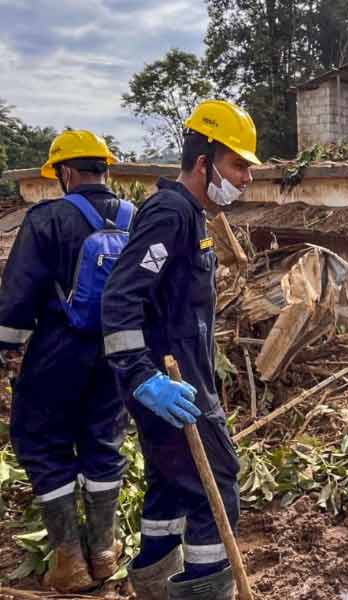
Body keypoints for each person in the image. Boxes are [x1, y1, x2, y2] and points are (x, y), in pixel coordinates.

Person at [102, 100, 260, 600]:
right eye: (238, 165)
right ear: (203, 163)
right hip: (168, 387)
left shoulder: (191, 216)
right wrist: (142, 378)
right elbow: (120, 297)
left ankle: (153, 586)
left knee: (170, 486)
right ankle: (203, 592)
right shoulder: (170, 213)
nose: (247, 178)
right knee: (217, 485)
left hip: (178, 384)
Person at [0, 131, 131, 591]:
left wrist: (7, 347)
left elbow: (19, 294)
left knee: (40, 440)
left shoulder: (48, 219)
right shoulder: (135, 220)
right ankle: (104, 549)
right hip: (119, 353)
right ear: (106, 170)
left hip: (58, 351)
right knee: (103, 440)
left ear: (66, 172)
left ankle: (70, 560)